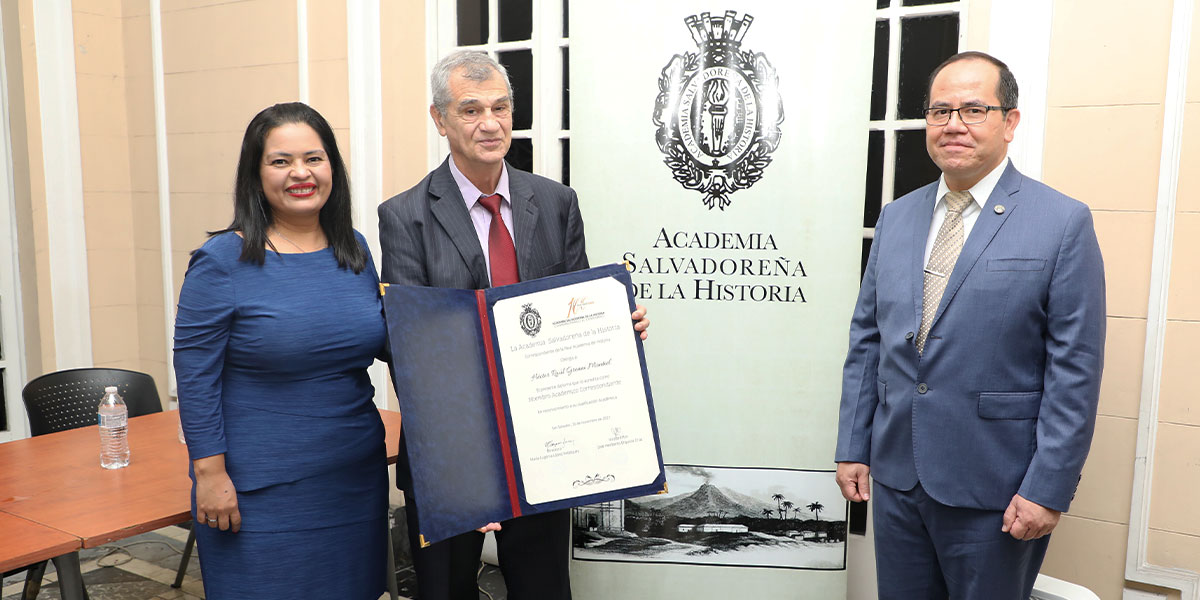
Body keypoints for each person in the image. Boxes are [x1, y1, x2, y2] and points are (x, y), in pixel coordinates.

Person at [834, 51, 1106, 599]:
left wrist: (1048, 488)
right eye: (939, 111)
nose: (953, 124)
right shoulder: (897, 216)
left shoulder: (1061, 223)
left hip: (998, 491)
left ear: (1010, 122)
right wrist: (853, 444)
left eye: (974, 109)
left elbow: (1074, 370)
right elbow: (868, 341)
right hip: (897, 477)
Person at [378, 50, 648, 600]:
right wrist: (472, 471)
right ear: (440, 119)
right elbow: (412, 350)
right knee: (445, 591)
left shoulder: (554, 202)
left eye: (500, 107)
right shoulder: (405, 216)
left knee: (543, 588)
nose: (490, 123)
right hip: (448, 456)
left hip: (546, 446)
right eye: (471, 109)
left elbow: (573, 313)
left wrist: (613, 327)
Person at [174, 102, 389, 598]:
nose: (300, 173)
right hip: (257, 490)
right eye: (280, 161)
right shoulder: (222, 261)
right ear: (255, 173)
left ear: (331, 166)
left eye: (314, 158)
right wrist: (209, 474)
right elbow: (195, 378)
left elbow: (388, 342)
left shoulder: (353, 250)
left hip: (353, 479)